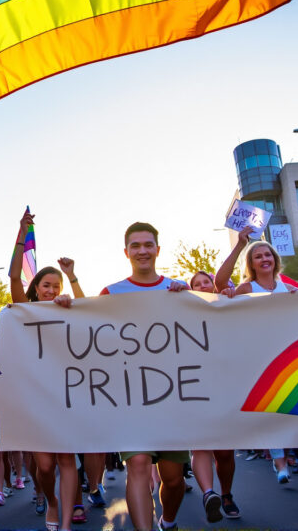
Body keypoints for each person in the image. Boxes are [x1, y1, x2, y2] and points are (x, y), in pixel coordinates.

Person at [213, 226, 298, 491]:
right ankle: (279, 463)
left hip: (285, 357)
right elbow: (220, 284)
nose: (265, 259)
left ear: (275, 260)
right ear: (251, 264)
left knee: (286, 408)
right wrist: (239, 245)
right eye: (258, 256)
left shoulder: (286, 287)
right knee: (266, 409)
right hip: (256, 358)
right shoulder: (247, 287)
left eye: (268, 255)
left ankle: (290, 455)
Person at [100, 222, 189, 531]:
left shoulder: (179, 289)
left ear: (157, 250)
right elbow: (89, 333)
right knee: (137, 464)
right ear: (126, 253)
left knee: (174, 479)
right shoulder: (111, 293)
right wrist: (64, 309)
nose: (142, 250)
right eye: (135, 246)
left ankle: (169, 520)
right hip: (130, 397)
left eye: (147, 244)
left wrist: (191, 298)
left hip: (173, 397)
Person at [8, 209, 84, 531]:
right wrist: (21, 232)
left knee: (67, 460)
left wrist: (75, 280)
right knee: (45, 464)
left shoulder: (69, 310)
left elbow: (95, 314)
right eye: (47, 285)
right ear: (37, 286)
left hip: (66, 393)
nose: (52, 290)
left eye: (57, 285)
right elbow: (13, 276)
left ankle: (64, 520)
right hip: (36, 397)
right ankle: (51, 500)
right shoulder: (24, 310)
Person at [187, 271, 237, 521]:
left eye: (206, 281)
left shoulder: (227, 306)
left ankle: (226, 494)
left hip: (224, 387)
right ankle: (209, 494)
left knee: (225, 451)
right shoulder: (184, 312)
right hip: (193, 386)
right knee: (200, 445)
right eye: (196, 284)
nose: (203, 286)